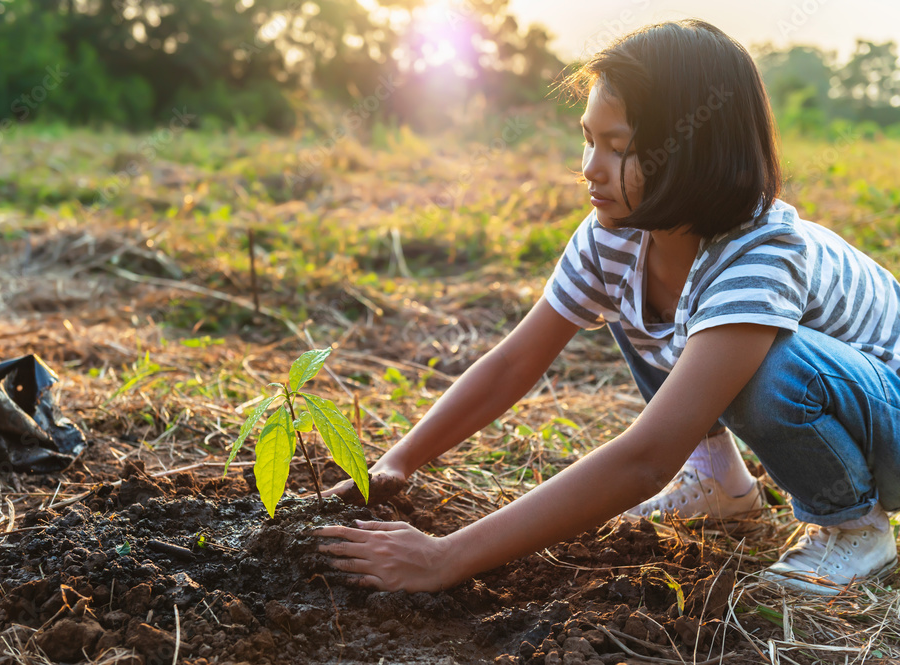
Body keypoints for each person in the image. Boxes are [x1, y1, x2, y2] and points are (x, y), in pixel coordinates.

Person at [313, 19, 900, 597]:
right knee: (641, 302)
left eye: (619, 148)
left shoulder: (761, 254)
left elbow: (645, 460)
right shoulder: (617, 232)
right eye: (589, 138)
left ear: (696, 153)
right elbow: (515, 361)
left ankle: (851, 523)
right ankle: (719, 477)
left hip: (889, 421)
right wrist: (399, 461)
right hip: (849, 404)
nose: (590, 167)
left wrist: (444, 558)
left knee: (770, 366)